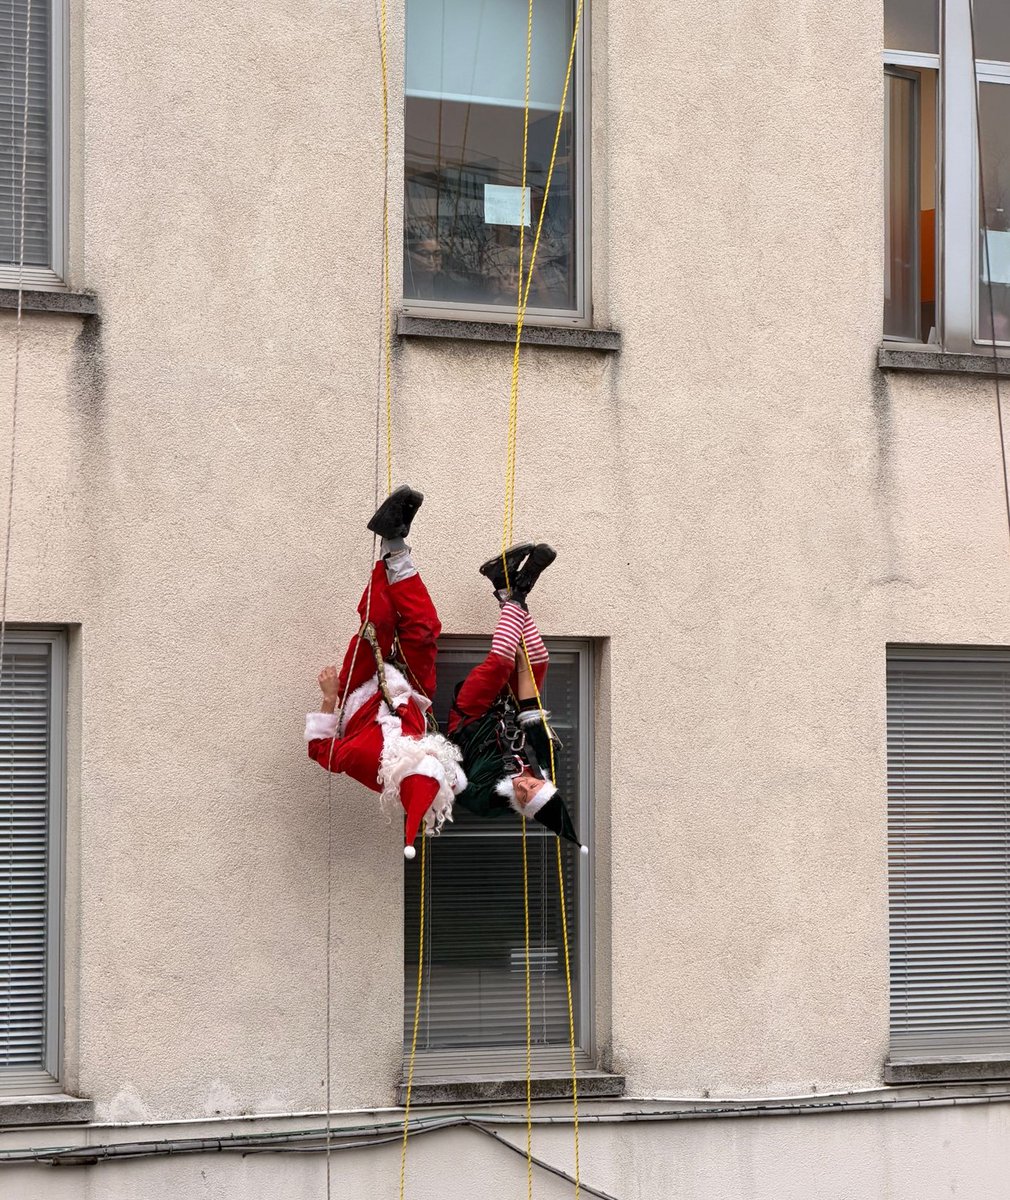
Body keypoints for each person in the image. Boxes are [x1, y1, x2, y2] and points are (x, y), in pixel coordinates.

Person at [305, 487, 466, 858]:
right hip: (411, 688)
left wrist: (330, 697)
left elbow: (321, 751)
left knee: (378, 620)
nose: (426, 753)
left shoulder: (364, 761)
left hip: (361, 691)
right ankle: (398, 550)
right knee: (425, 626)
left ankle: (388, 542)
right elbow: (454, 778)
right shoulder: (439, 763)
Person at [447, 543, 587, 854]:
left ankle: (517, 592)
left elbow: (449, 775)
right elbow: (529, 707)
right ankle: (502, 584)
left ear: (521, 807)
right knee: (538, 658)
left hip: (472, 717)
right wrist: (524, 665)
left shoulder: (486, 801)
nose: (523, 787)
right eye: (532, 787)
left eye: (524, 796)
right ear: (544, 783)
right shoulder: (546, 760)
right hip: (508, 707)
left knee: (500, 663)